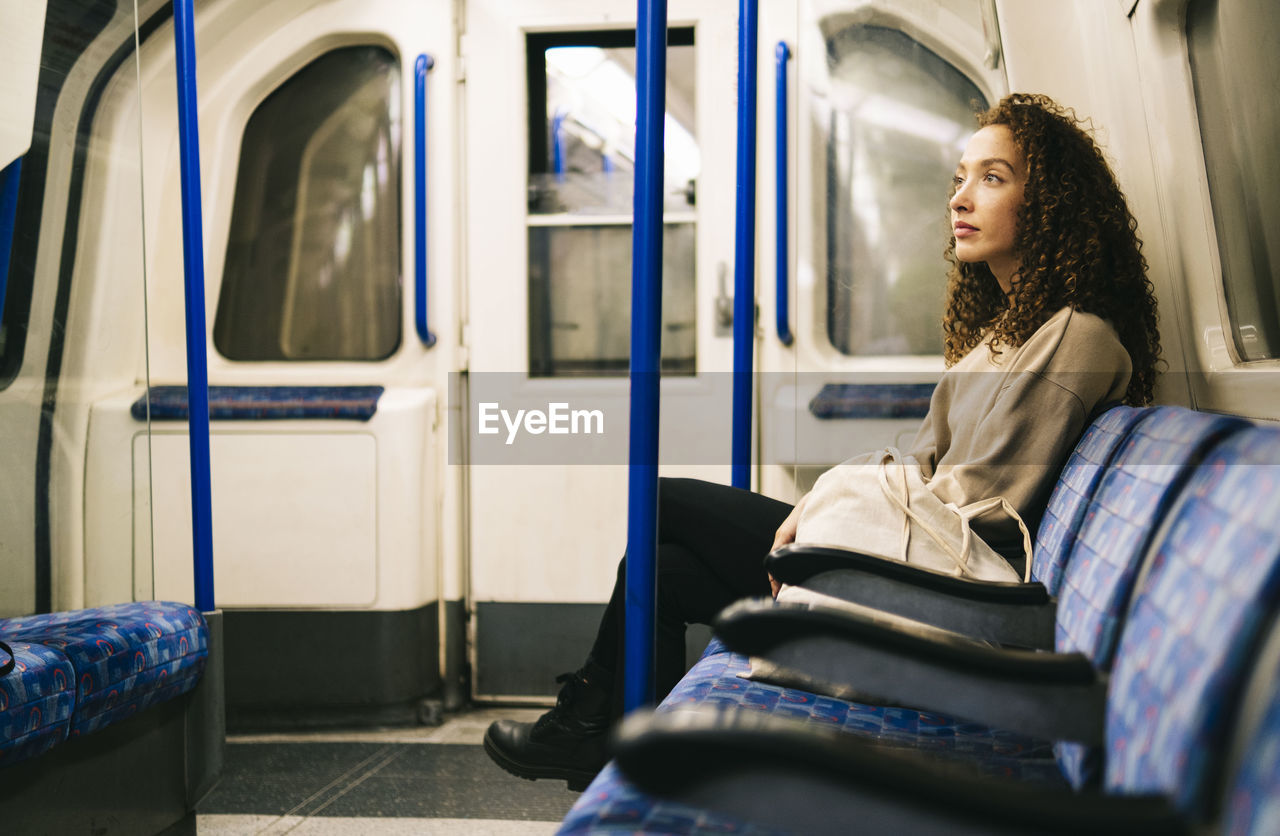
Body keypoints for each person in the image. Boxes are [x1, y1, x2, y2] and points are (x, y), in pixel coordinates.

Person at [483, 92, 1162, 790]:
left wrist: (828, 511)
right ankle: (618, 739)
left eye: (993, 177)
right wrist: (827, 502)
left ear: (1052, 203)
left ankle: (591, 727)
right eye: (960, 177)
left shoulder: (1077, 335)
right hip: (900, 561)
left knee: (660, 504)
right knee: (661, 569)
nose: (961, 198)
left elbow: (973, 501)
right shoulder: (1008, 335)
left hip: (924, 587)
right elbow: (926, 464)